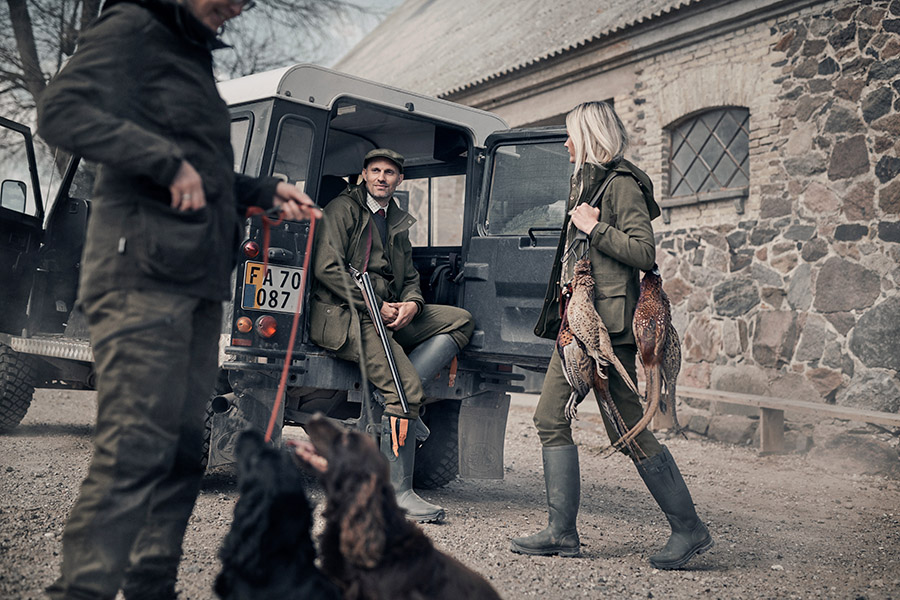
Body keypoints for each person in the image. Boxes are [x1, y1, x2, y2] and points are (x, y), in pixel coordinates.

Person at [36, 0, 320, 598]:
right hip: (138, 273)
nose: (240, 8)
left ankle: (150, 586)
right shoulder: (134, 26)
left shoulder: (190, 57)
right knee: (137, 443)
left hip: (196, 283)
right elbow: (60, 113)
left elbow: (205, 176)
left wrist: (263, 191)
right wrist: (163, 161)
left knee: (183, 449)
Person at [509, 102, 713, 569]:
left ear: (589, 135)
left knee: (627, 431)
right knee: (552, 418)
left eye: (569, 135)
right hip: (579, 328)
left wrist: (593, 227)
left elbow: (644, 252)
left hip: (609, 332)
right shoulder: (588, 182)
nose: (564, 143)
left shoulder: (622, 185)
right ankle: (563, 532)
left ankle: (688, 529)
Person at [310, 148, 474, 524]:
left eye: (390, 172)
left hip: (389, 310)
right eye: (376, 171)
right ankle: (397, 493)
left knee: (460, 320)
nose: (382, 178)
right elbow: (327, 268)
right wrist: (372, 306)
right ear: (364, 174)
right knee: (404, 392)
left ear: (399, 179)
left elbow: (412, 275)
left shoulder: (396, 218)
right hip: (347, 313)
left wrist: (412, 304)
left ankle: (398, 399)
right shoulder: (343, 209)